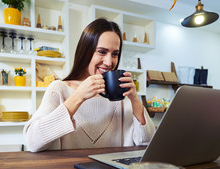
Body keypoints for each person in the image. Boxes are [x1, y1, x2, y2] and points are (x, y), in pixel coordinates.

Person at [24, 18, 155, 152]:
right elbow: (32, 142)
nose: (109, 62)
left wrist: (135, 100)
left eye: (115, 54)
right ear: (86, 51)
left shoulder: (122, 97)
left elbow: (146, 143)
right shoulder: (58, 89)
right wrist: (79, 96)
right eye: (102, 52)